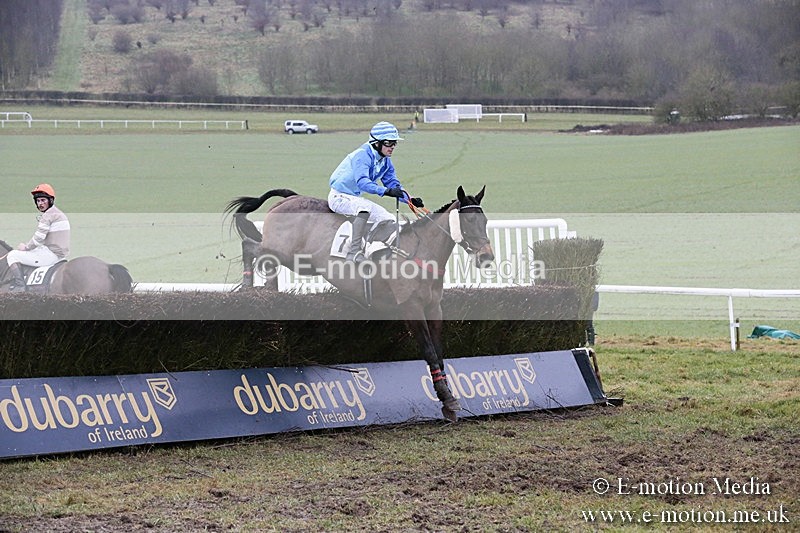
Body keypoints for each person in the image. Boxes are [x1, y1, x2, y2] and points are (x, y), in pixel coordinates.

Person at [328, 121, 423, 263]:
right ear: (376, 143)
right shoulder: (362, 156)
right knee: (364, 208)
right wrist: (386, 191)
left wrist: (409, 199)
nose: (392, 147)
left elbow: (392, 184)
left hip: (354, 198)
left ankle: (373, 250)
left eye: (394, 143)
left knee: (388, 218)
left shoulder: (386, 161)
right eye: (388, 143)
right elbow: (363, 182)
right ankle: (354, 252)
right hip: (339, 197)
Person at [5, 183, 71, 292]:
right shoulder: (58, 213)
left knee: (12, 255)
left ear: (50, 200)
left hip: (51, 255)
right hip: (59, 255)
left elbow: (38, 239)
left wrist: (25, 247)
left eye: (43, 200)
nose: (40, 203)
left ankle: (20, 286)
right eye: (38, 201)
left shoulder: (48, 215)